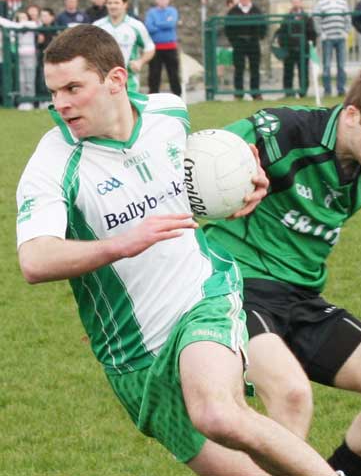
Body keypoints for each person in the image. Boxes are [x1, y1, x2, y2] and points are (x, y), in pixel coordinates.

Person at [16, 23, 338, 476]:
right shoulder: (52, 163)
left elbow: (195, 180)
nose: (61, 104)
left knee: (218, 413)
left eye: (73, 87)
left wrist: (244, 182)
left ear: (116, 80)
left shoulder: (169, 113)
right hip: (130, 355)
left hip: (202, 297)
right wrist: (120, 245)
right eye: (54, 92)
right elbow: (34, 259)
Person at [204, 60, 361, 476]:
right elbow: (205, 157)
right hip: (234, 285)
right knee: (291, 396)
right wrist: (232, 178)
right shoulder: (284, 132)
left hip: (301, 301)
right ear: (351, 114)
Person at [94, 0, 155, 92]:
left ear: (125, 5)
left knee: (128, 108)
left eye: (116, 3)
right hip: (102, 81)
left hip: (128, 82)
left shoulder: (136, 26)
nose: (113, 6)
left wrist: (140, 62)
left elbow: (150, 47)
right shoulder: (97, 26)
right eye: (109, 3)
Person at [225, 0, 267, 100]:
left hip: (253, 42)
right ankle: (239, 92)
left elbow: (263, 25)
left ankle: (255, 92)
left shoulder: (256, 10)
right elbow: (228, 28)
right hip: (239, 43)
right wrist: (234, 41)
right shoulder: (233, 12)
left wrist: (260, 37)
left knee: (255, 68)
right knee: (239, 68)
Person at [314, 0, 350, 96]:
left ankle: (341, 89)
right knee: (327, 65)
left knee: (341, 65)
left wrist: (346, 31)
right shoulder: (321, 3)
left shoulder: (343, 3)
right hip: (327, 38)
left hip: (340, 37)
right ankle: (327, 90)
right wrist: (321, 33)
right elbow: (316, 19)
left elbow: (348, 18)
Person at [276, 0, 317, 97]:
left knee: (303, 71)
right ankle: (288, 91)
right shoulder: (287, 17)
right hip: (289, 49)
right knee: (288, 71)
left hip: (303, 49)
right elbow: (282, 33)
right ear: (292, 4)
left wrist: (310, 46)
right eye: (294, 2)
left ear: (301, 3)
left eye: (298, 2)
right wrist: (283, 46)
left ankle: (303, 91)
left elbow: (312, 33)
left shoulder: (307, 17)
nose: (296, 4)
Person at [144, 0, 182, 96]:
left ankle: (177, 95)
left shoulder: (172, 11)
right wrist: (164, 24)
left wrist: (157, 24)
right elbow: (149, 27)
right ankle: (153, 96)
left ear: (168, 1)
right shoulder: (151, 12)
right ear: (156, 0)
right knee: (154, 74)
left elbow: (171, 24)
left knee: (173, 73)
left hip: (170, 48)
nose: (163, 2)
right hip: (155, 48)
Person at [0, 12, 38, 110]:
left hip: (30, 56)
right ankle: (23, 101)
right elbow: (12, 32)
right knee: (21, 79)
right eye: (20, 18)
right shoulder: (15, 27)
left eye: (24, 17)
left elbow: (17, 25)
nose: (22, 19)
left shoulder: (31, 24)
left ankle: (30, 100)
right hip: (19, 56)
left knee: (30, 79)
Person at [36, 7, 57, 108]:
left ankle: (52, 99)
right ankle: (42, 100)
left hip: (56, 60)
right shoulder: (39, 30)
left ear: (52, 17)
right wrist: (38, 42)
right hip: (42, 59)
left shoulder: (57, 29)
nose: (43, 18)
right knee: (42, 79)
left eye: (45, 15)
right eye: (42, 16)